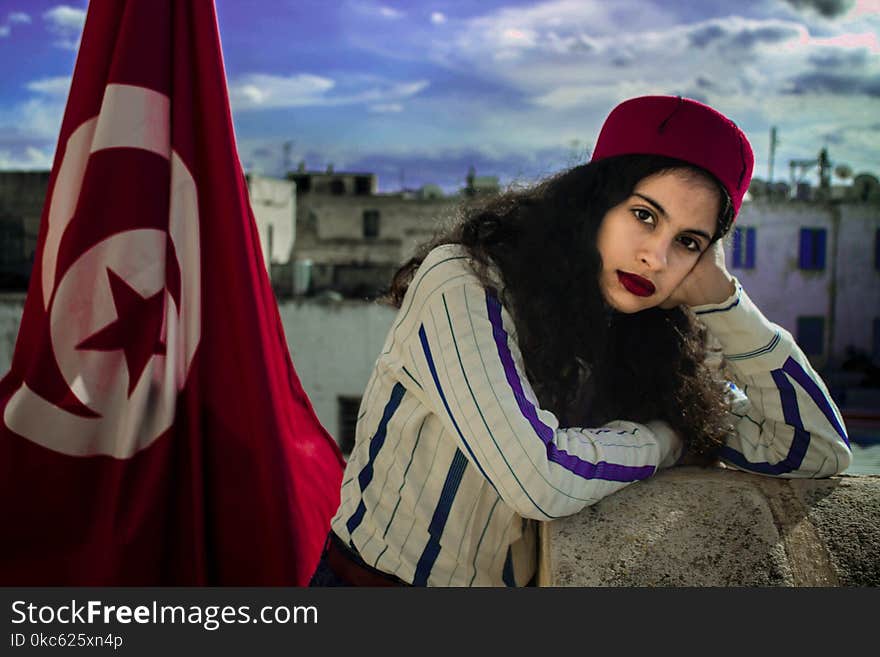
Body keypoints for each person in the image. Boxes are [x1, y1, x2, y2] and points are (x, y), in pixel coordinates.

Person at [309, 95, 853, 587]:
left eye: (688, 242)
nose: (656, 258)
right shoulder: (464, 281)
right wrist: (668, 440)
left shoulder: (647, 339)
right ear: (592, 202)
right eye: (644, 216)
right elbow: (537, 478)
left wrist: (725, 303)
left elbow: (815, 449)